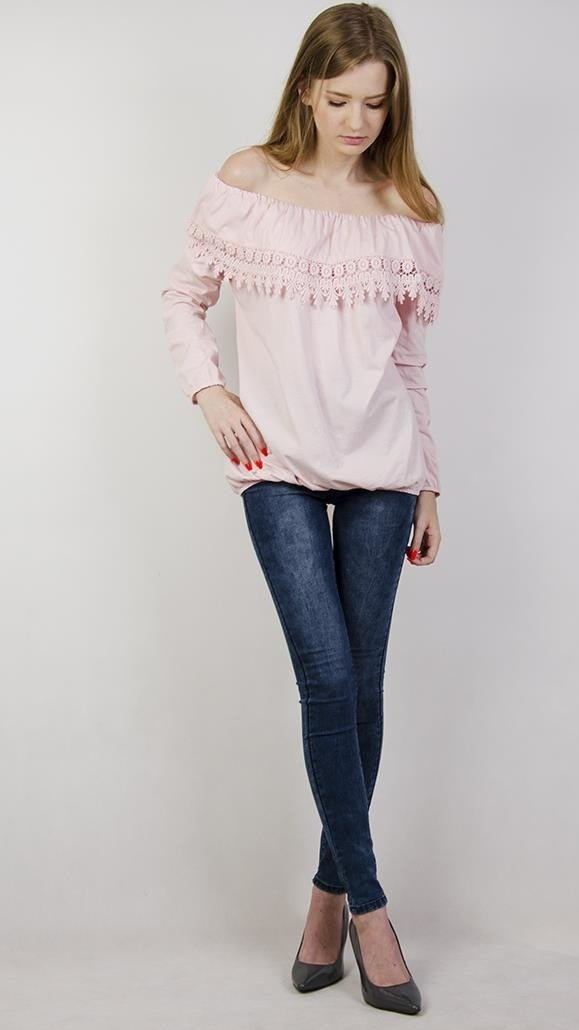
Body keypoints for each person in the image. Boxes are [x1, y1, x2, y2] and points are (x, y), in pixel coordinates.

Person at [160, 2, 445, 1016]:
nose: (358, 121)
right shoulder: (248, 182)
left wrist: (430, 482)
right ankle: (372, 908)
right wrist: (211, 391)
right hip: (274, 462)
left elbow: (410, 362)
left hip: (384, 472)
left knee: (360, 687)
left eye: (376, 103)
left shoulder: (408, 206)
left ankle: (326, 895)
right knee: (326, 674)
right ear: (305, 92)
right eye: (340, 101)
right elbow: (182, 297)